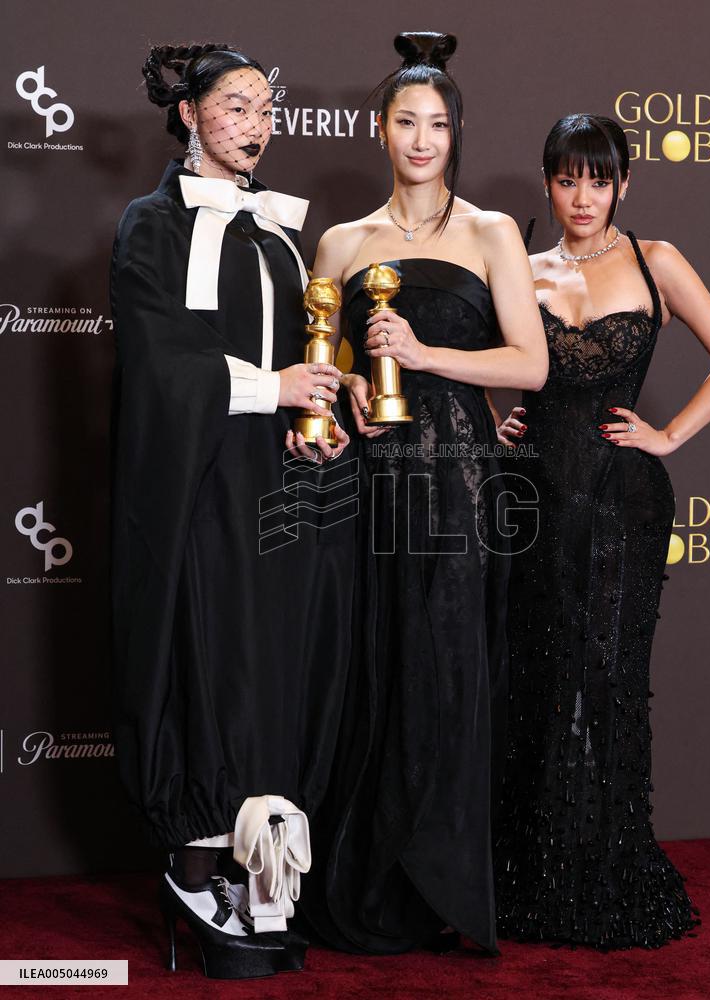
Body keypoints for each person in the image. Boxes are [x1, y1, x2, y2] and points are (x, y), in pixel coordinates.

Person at [300, 31, 548, 955]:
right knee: (369, 663)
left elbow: (529, 364)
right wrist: (351, 384)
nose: (420, 140)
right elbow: (318, 361)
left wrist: (423, 353)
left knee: (445, 667)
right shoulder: (339, 242)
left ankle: (440, 880)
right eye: (405, 122)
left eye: (437, 125)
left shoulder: (490, 232)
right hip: (367, 480)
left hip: (458, 483)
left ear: (455, 134)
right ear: (379, 128)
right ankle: (364, 876)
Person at [110, 43, 353, 978]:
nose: (257, 126)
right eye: (237, 107)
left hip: (277, 482)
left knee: (267, 660)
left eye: (266, 109)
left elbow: (303, 352)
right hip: (197, 481)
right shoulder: (151, 225)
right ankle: (194, 864)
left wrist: (315, 415)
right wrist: (272, 387)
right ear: (189, 115)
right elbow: (160, 362)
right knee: (207, 653)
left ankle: (264, 869)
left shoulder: (277, 233)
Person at [493, 113, 710, 948]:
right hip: (533, 498)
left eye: (598, 181)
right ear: (547, 183)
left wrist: (668, 434)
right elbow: (495, 365)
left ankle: (606, 867)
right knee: (535, 676)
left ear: (623, 185)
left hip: (621, 502)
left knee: (607, 678)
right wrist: (498, 421)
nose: (582, 197)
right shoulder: (519, 266)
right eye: (567, 180)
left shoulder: (655, 261)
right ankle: (530, 868)